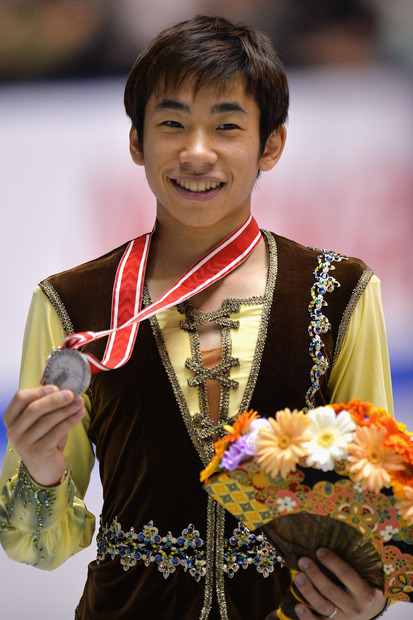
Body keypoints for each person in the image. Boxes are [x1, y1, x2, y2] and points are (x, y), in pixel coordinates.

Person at [0, 14, 393, 620]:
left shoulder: (340, 292)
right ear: (137, 141)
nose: (196, 152)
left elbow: (378, 509)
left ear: (271, 145)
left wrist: (370, 596)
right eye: (172, 124)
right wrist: (41, 468)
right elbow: (36, 549)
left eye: (227, 126)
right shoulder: (72, 305)